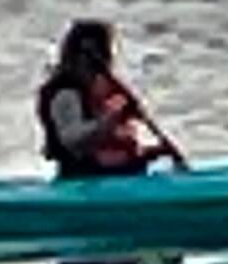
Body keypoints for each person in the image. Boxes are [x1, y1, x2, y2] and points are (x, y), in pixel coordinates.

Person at [36, 19, 176, 178]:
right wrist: (106, 120)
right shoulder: (65, 92)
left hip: (119, 173)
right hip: (84, 176)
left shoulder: (102, 85)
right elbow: (71, 140)